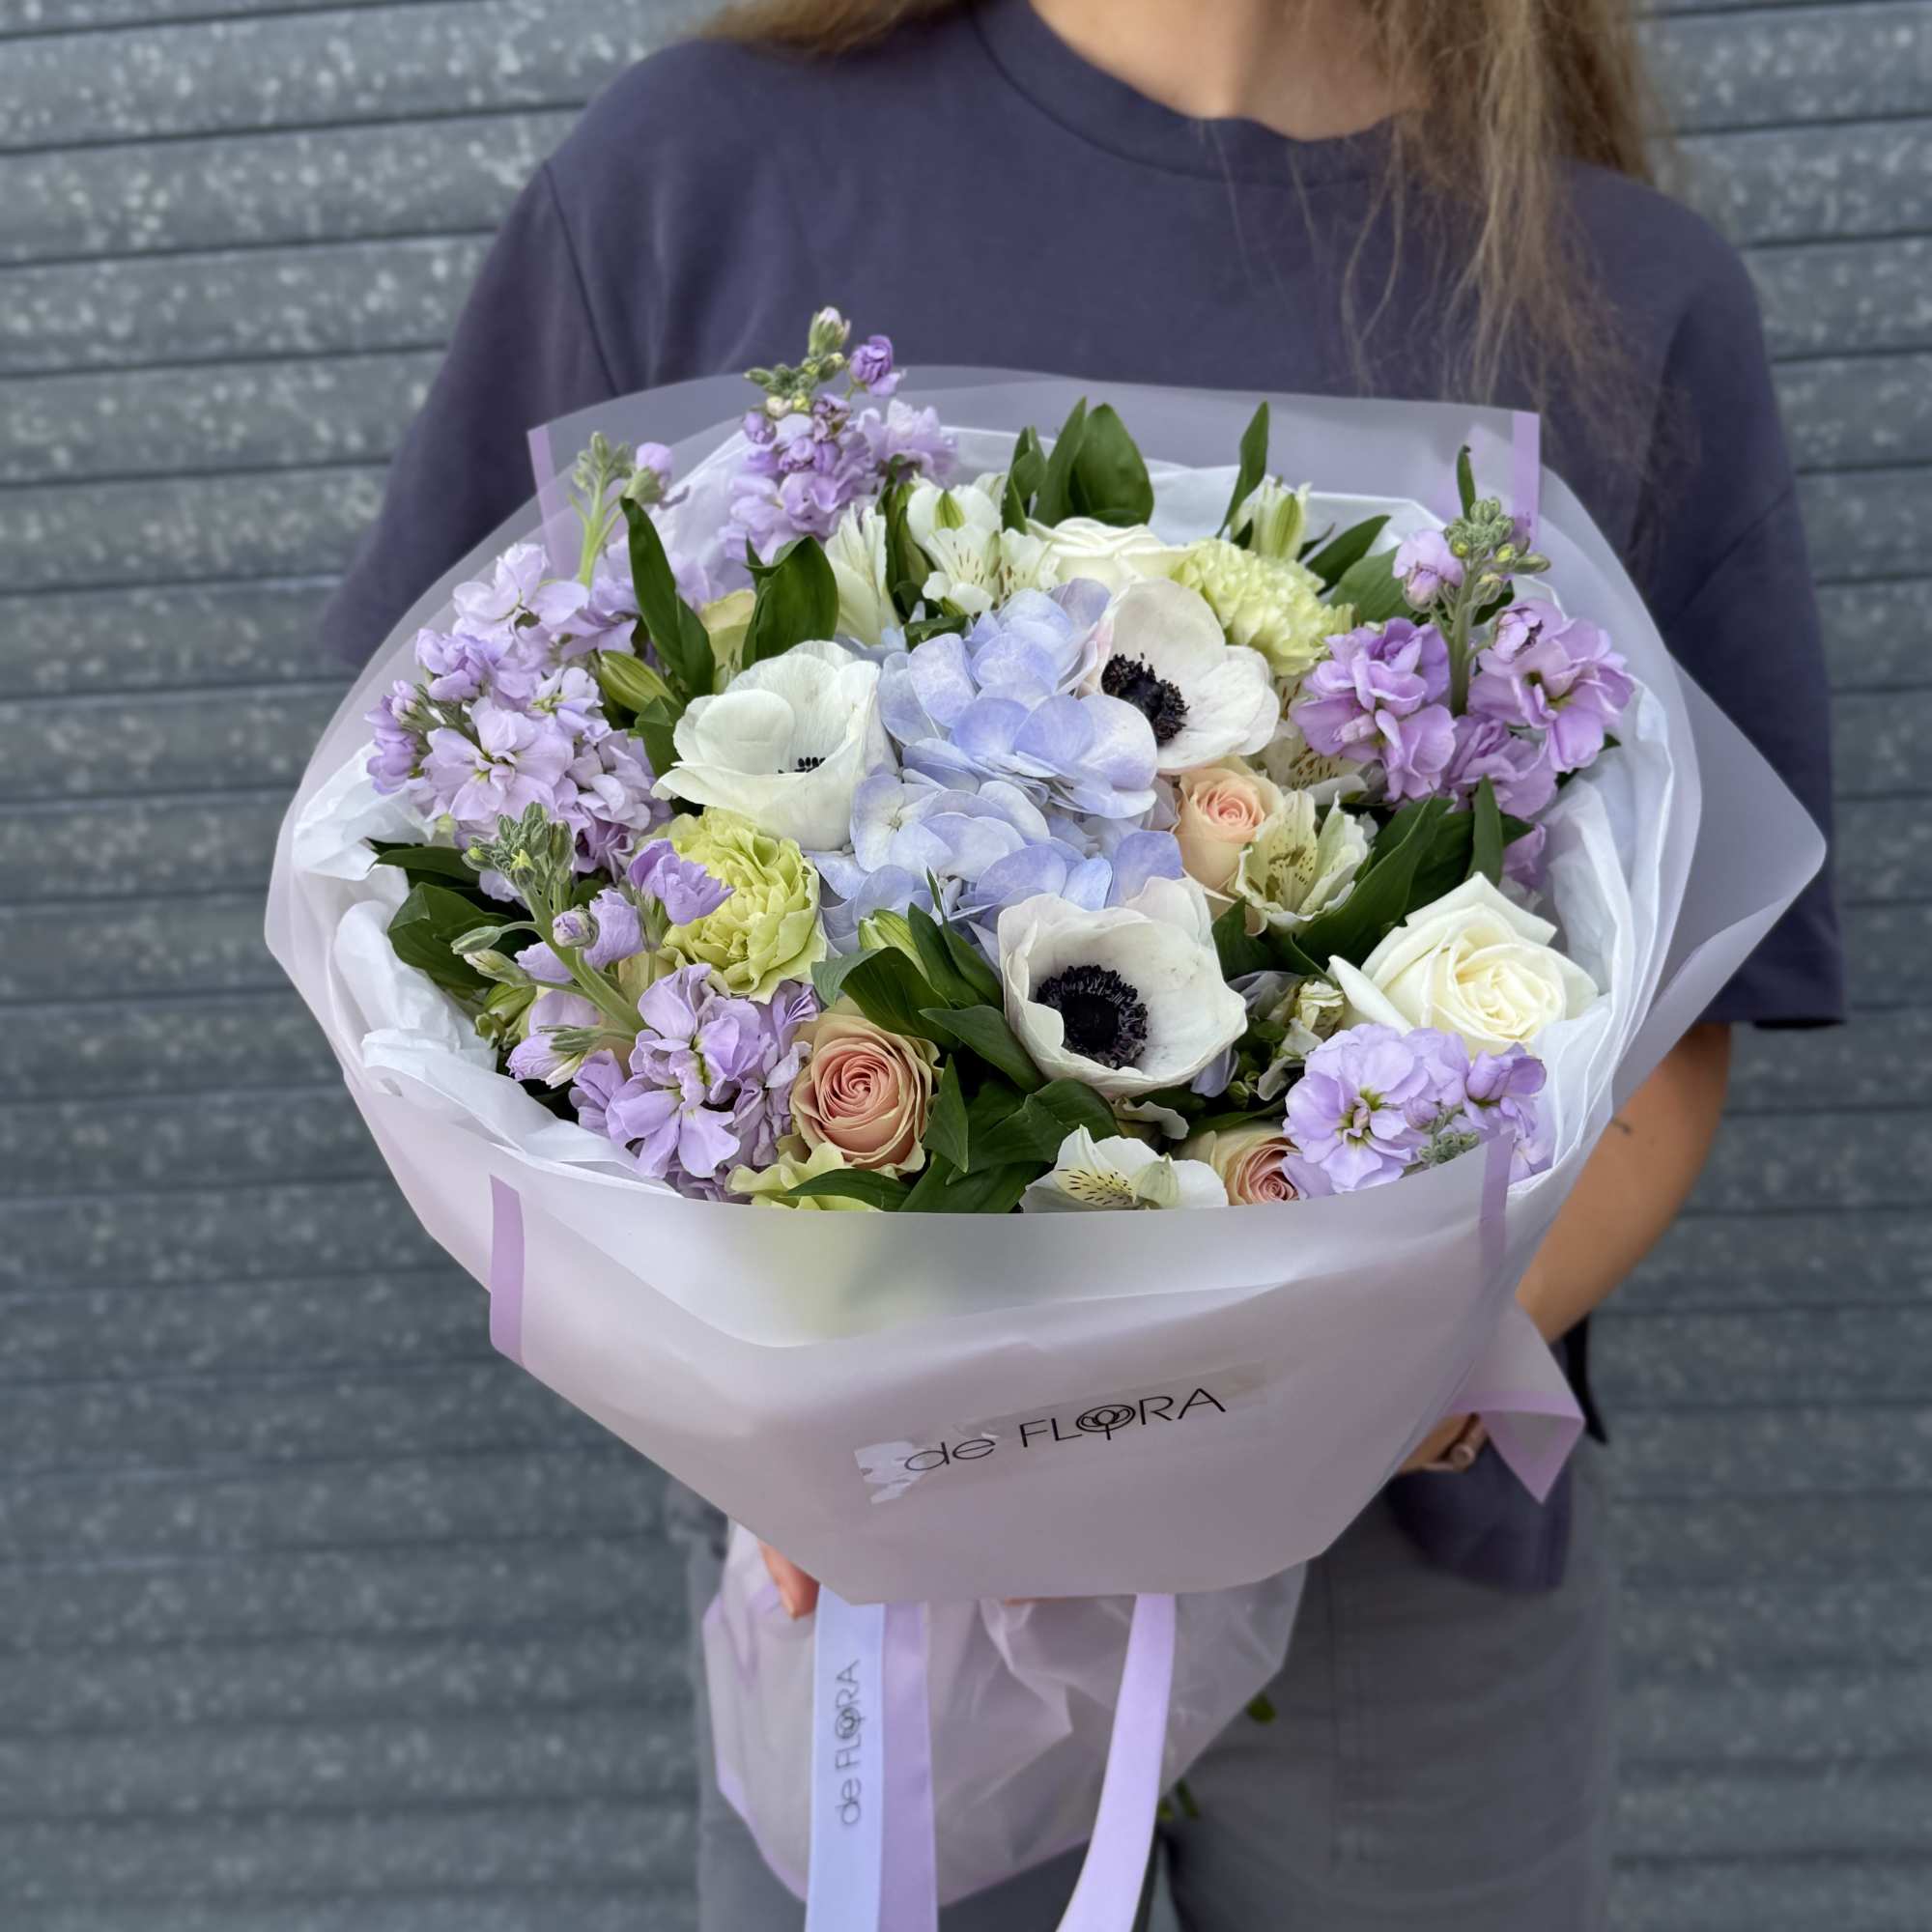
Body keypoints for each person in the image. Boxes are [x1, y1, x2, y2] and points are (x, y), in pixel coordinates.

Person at [321, 2, 1845, 1924]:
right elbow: (467, 872)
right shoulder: (697, 178)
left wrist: (1340, 1396)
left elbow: (1684, 1010)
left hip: (1408, 1556)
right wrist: (789, 1417)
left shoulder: (1607, 282)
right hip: (872, 1570)